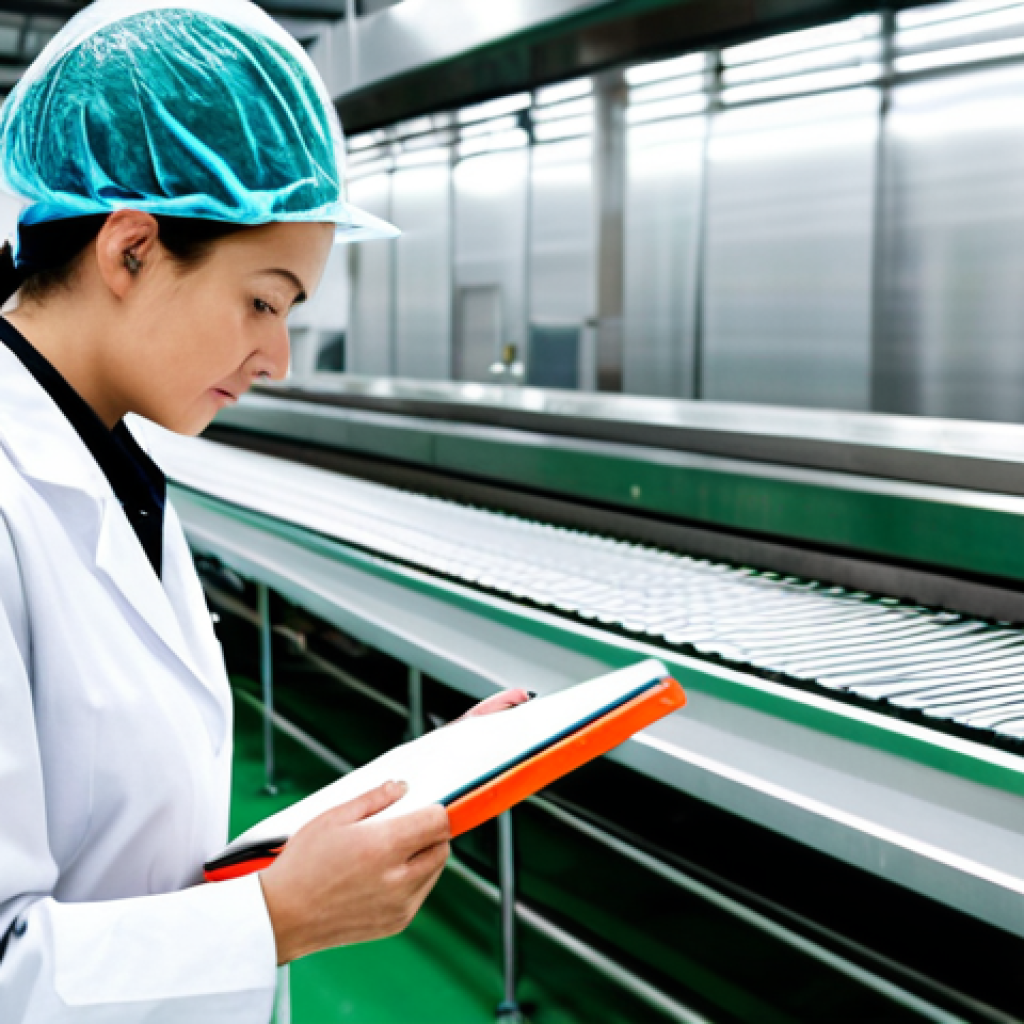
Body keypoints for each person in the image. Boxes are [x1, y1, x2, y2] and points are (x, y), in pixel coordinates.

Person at [0, 3, 527, 1021]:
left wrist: (373, 806)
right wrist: (277, 917)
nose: (278, 357)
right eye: (264, 300)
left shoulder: (113, 457)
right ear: (132, 249)